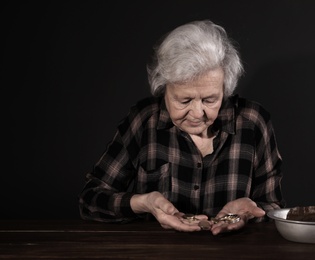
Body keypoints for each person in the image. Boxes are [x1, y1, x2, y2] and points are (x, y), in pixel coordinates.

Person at [78, 19, 285, 235]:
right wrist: (142, 203)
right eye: (184, 101)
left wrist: (250, 213)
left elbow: (272, 207)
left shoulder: (253, 121)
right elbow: (90, 200)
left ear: (225, 89)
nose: (197, 113)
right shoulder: (144, 120)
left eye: (210, 100)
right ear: (163, 89)